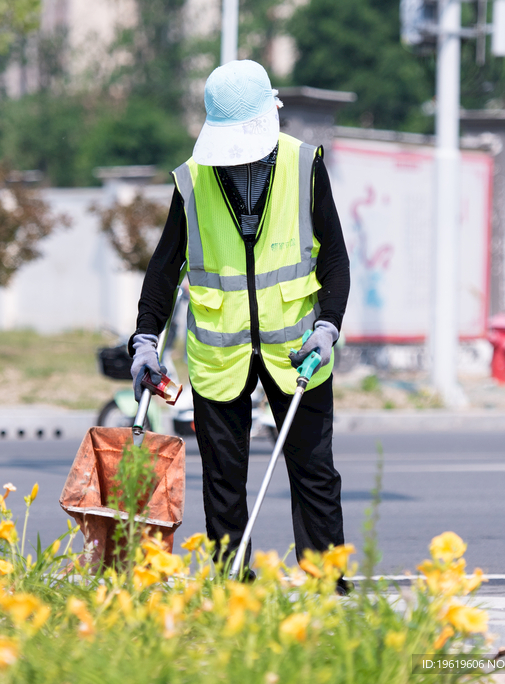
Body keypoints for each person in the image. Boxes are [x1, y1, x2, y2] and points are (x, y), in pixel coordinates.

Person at [128, 59, 352, 592]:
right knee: (224, 481)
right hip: (219, 353)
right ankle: (233, 586)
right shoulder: (194, 181)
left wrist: (328, 326)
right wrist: (144, 338)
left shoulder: (303, 166)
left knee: (314, 472)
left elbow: (335, 260)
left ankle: (329, 585)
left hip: (299, 348)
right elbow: (165, 269)